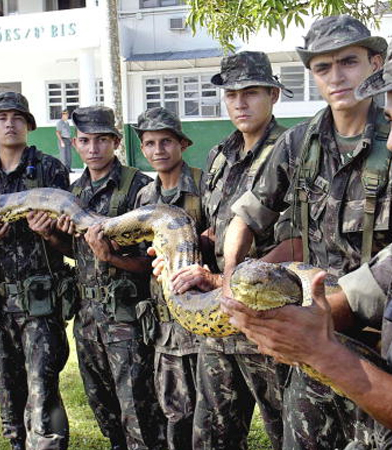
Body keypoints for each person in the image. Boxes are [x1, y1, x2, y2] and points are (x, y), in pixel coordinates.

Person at [225, 16, 392, 449]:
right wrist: (232, 281)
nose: (337, 77)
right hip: (315, 334)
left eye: (348, 62)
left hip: (382, 350)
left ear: (376, 63)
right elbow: (249, 217)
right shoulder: (298, 143)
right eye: (323, 67)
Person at [151, 52, 293, 450]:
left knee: (287, 433)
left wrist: (220, 277)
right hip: (217, 321)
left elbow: (299, 240)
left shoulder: (290, 150)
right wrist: (177, 258)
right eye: (231, 95)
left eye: (250, 93)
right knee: (211, 437)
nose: (240, 103)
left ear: (273, 95)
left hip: (267, 322)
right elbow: (213, 230)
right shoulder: (218, 156)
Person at [0, 92, 71, 450]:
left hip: (39, 302)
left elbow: (70, 240)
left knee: (43, 390)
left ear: (28, 125)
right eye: (1, 117)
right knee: (7, 392)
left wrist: (50, 231)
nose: (9, 123)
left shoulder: (50, 169)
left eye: (17, 117)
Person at [62, 105, 166, 450]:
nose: (93, 148)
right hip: (88, 317)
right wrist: (52, 236)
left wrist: (111, 257)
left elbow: (154, 262)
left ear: (116, 142)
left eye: (102, 140)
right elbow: (77, 251)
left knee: (138, 409)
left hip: (127, 317)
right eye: (86, 141)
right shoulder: (73, 192)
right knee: (102, 406)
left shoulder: (141, 189)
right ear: (75, 144)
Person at [133, 107, 204, 450]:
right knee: (175, 413)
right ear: (143, 149)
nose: (158, 149)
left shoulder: (204, 185)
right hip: (165, 327)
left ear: (182, 144)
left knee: (213, 415)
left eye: (166, 141)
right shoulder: (144, 199)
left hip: (203, 324)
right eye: (150, 143)